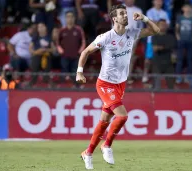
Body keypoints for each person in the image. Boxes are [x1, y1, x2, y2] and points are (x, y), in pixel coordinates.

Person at [76, 4, 160, 170]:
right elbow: (85, 52)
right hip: (105, 83)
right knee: (122, 117)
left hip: (120, 84)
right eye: (122, 13)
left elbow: (155, 31)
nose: (125, 15)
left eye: (125, 13)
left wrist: (144, 18)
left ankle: (88, 152)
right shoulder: (105, 37)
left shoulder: (131, 33)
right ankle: (106, 145)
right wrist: (79, 72)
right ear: (114, 18)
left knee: (104, 121)